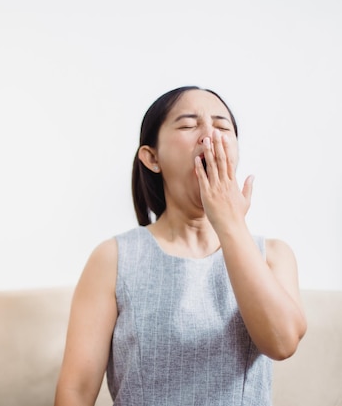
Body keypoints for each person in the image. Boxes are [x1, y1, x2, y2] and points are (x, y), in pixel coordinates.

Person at [54, 86, 307, 406]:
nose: (209, 136)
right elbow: (75, 391)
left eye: (222, 126)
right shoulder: (113, 259)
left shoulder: (275, 255)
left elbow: (282, 342)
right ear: (152, 157)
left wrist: (230, 223)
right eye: (188, 125)